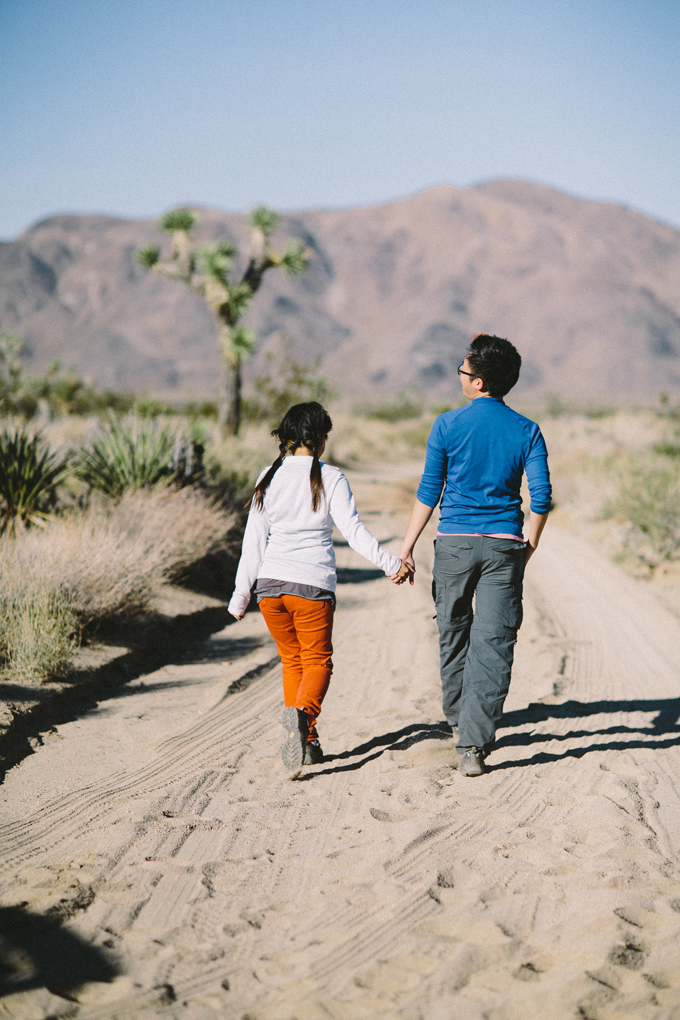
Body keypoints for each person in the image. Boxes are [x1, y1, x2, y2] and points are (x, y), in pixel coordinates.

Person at [228, 401, 411, 775]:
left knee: (293, 662)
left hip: (269, 589)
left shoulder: (269, 475)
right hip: (310, 587)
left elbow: (254, 541)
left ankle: (307, 743)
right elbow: (354, 533)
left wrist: (240, 595)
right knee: (318, 662)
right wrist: (393, 564)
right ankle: (304, 718)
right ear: (318, 438)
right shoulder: (331, 476)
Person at [399, 334, 552, 777]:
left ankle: (456, 718)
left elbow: (430, 490)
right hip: (506, 546)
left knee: (453, 631)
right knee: (495, 641)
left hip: (454, 545)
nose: (460, 378)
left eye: (463, 373)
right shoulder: (527, 430)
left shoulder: (446, 425)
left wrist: (407, 546)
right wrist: (530, 547)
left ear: (480, 382)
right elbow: (540, 498)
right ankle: (473, 744)